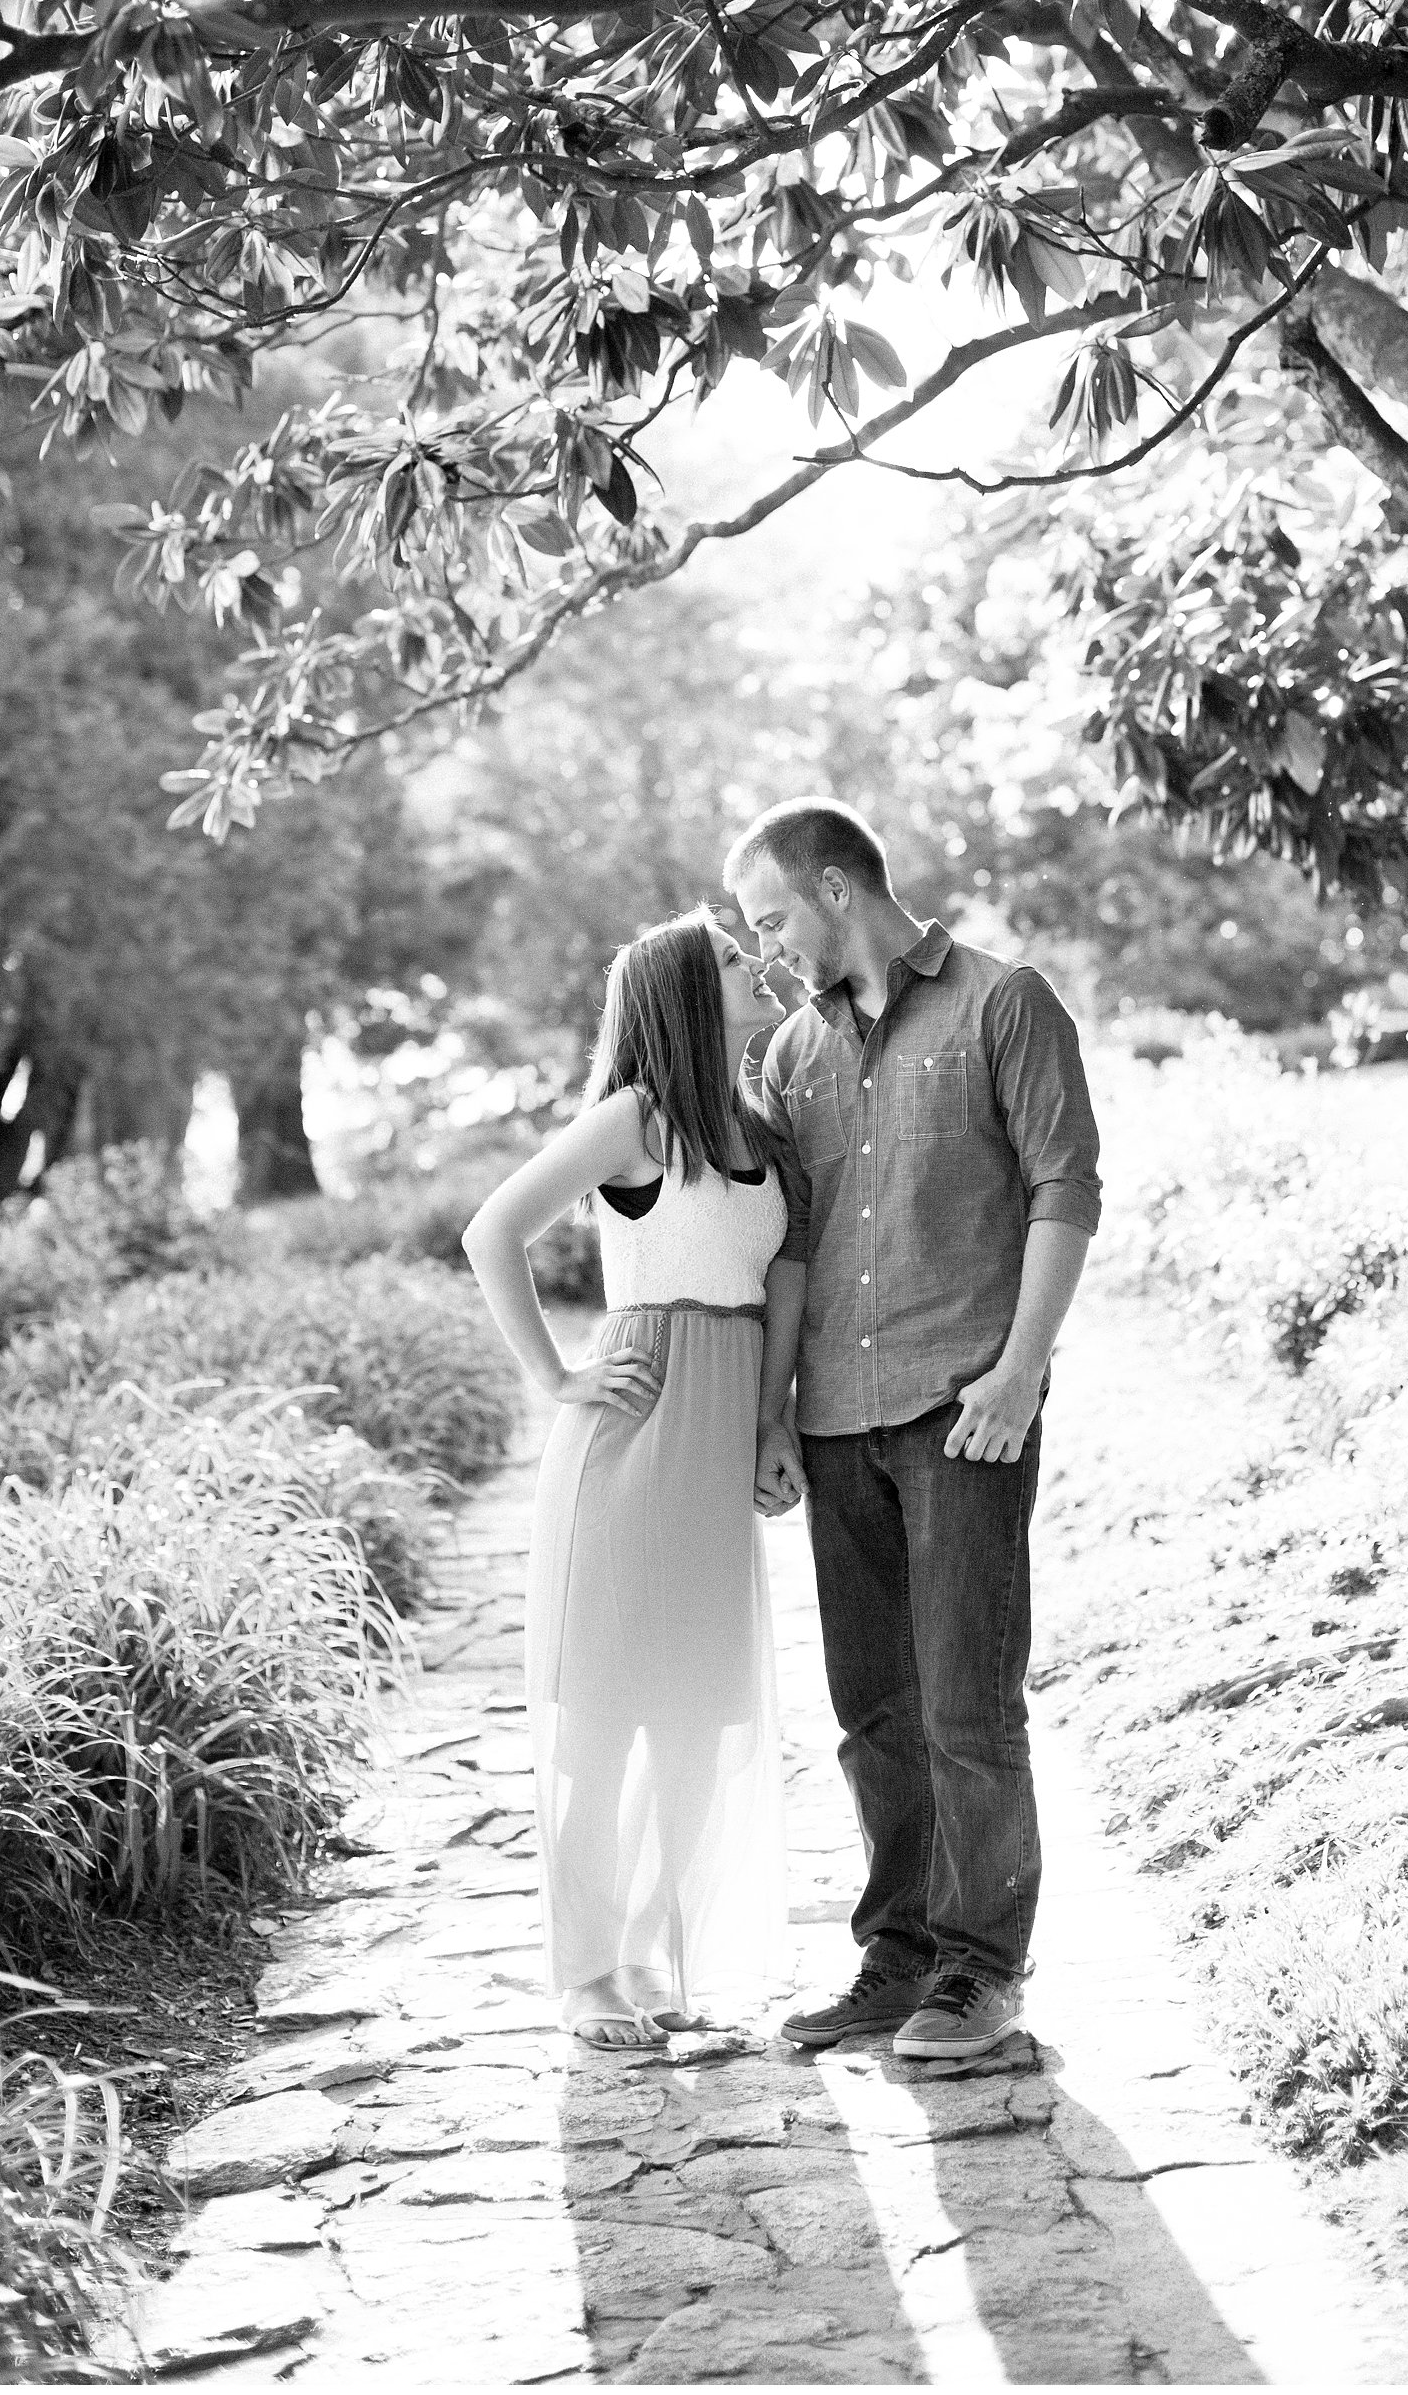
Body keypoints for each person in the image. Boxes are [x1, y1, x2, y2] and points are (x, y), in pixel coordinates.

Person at [727, 798, 1100, 2063]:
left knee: (965, 1704)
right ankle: (895, 1957)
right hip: (836, 1420)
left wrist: (1017, 1370)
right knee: (870, 1708)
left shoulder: (1006, 1002)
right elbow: (784, 1244)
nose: (768, 945)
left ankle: (981, 1971)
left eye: (772, 915)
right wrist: (773, 1409)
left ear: (837, 886)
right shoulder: (789, 1054)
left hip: (964, 1412)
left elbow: (1064, 1188)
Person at [461, 908, 803, 2049]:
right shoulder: (635, 1118)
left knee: (698, 1719)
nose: (754, 965)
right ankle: (585, 1972)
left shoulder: (760, 1122)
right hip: (633, 1434)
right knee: (601, 1724)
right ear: (678, 993)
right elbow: (490, 1229)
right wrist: (555, 1375)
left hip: (717, 1443)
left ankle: (661, 1952)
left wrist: (768, 1429)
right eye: (726, 959)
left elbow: (778, 1290)